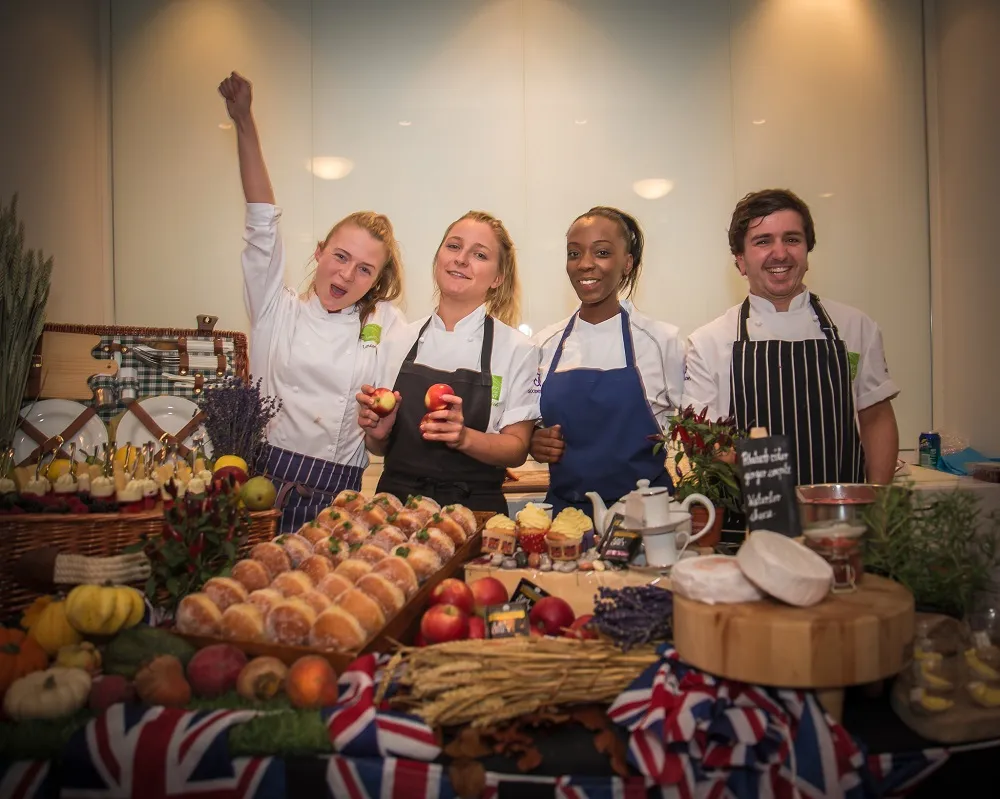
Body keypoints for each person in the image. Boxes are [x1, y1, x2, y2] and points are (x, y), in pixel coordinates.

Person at [218, 72, 406, 531]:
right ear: (319, 251)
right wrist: (244, 120)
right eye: (340, 257)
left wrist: (381, 428)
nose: (347, 274)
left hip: (338, 503)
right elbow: (261, 221)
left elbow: (380, 440)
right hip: (258, 493)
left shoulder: (386, 326)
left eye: (365, 269)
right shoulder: (274, 310)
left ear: (377, 280)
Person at [683, 189, 899, 486]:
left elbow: (876, 418)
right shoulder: (708, 342)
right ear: (741, 260)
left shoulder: (855, 326)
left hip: (840, 517)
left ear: (808, 252)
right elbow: (701, 441)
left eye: (792, 239)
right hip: (747, 526)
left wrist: (880, 504)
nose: (780, 253)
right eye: (763, 241)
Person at [356, 212, 540, 514]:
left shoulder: (517, 349)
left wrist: (464, 437)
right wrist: (377, 433)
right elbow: (379, 447)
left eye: (479, 254)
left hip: (474, 511)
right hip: (393, 509)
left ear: (497, 278)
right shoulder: (397, 340)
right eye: (453, 246)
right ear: (438, 257)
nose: (461, 259)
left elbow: (517, 448)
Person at [530, 207, 685, 517]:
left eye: (601, 252)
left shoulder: (662, 342)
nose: (585, 264)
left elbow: (699, 433)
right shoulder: (543, 345)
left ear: (627, 263)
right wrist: (534, 443)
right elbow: (526, 428)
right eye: (574, 253)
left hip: (648, 518)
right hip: (566, 518)